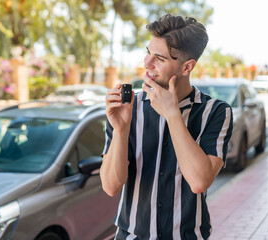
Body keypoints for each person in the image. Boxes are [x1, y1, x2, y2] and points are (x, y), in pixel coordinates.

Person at [100, 14, 233, 240]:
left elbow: (200, 181)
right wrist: (121, 130)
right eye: (148, 52)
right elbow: (111, 186)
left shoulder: (216, 112)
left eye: (159, 58)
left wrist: (173, 114)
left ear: (187, 67)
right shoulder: (128, 108)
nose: (147, 63)